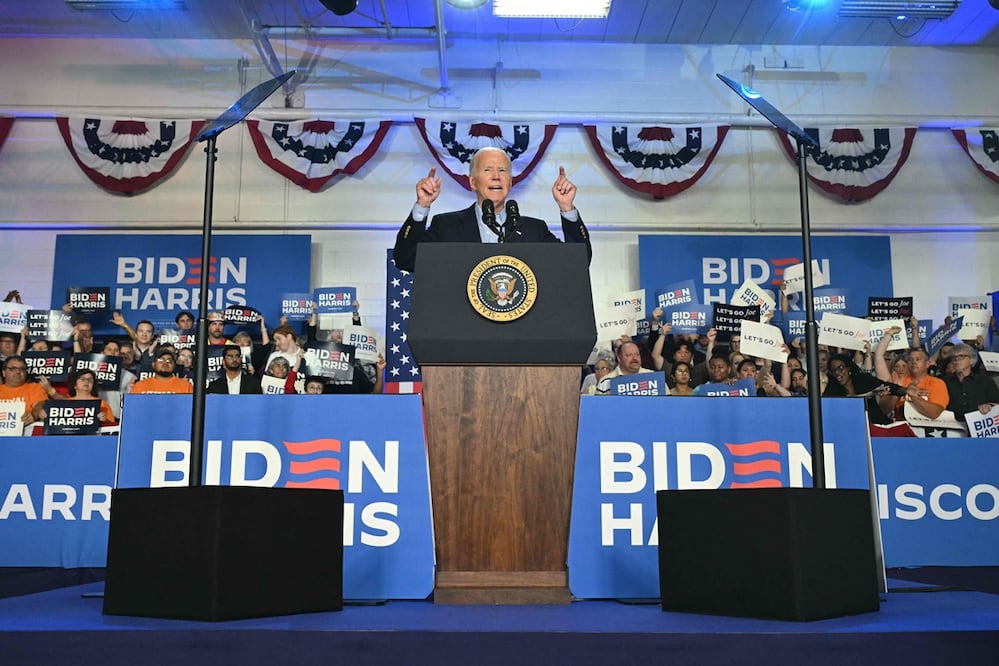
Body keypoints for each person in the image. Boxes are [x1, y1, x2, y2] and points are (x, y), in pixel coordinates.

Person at [392, 146, 591, 272]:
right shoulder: (447, 226)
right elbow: (406, 259)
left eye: (502, 171)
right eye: (488, 170)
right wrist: (422, 206)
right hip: (462, 333)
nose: (496, 176)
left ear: (511, 181)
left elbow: (576, 264)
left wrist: (567, 208)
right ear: (472, 182)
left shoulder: (534, 230)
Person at [880, 347, 949, 421]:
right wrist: (897, 389)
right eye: (910, 360)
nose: (913, 362)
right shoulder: (898, 380)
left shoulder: (937, 383)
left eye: (918, 359)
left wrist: (913, 397)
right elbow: (884, 409)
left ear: (927, 364)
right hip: (901, 427)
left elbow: (934, 413)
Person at [34, 367, 116, 426]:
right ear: (74, 385)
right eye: (83, 379)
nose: (87, 381)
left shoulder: (102, 404)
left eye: (90, 380)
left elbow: (112, 427)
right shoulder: (64, 403)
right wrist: (44, 416)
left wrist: (105, 421)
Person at [943, 343, 999, 418]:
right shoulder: (944, 382)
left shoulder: (985, 381)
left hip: (978, 424)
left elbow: (996, 402)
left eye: (961, 356)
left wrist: (989, 406)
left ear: (971, 360)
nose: (957, 360)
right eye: (954, 358)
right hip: (952, 426)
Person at [0, 355, 59, 427]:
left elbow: (39, 405)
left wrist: (33, 415)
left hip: (27, 428)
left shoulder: (35, 387)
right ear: (3, 372)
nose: (18, 371)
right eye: (13, 368)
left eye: (22, 369)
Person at [595, 341, 666, 395]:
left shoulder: (653, 377)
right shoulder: (606, 381)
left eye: (637, 354)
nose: (634, 358)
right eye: (629, 355)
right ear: (619, 358)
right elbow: (598, 409)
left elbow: (668, 403)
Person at [129, 348, 193, 395]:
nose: (165, 363)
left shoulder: (186, 386)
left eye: (169, 360)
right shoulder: (139, 386)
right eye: (161, 360)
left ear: (174, 365)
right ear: (153, 364)